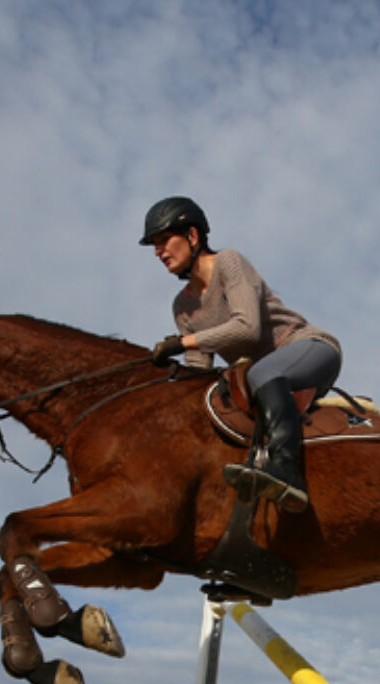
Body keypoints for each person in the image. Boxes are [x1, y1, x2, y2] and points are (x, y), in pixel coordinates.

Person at [140, 196, 341, 514]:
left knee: (259, 374)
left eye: (165, 240)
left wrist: (184, 342)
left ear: (192, 236)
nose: (157, 251)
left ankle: (288, 474)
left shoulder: (229, 262)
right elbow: (199, 372)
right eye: (154, 244)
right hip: (263, 379)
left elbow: (247, 327)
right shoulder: (182, 307)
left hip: (309, 349)